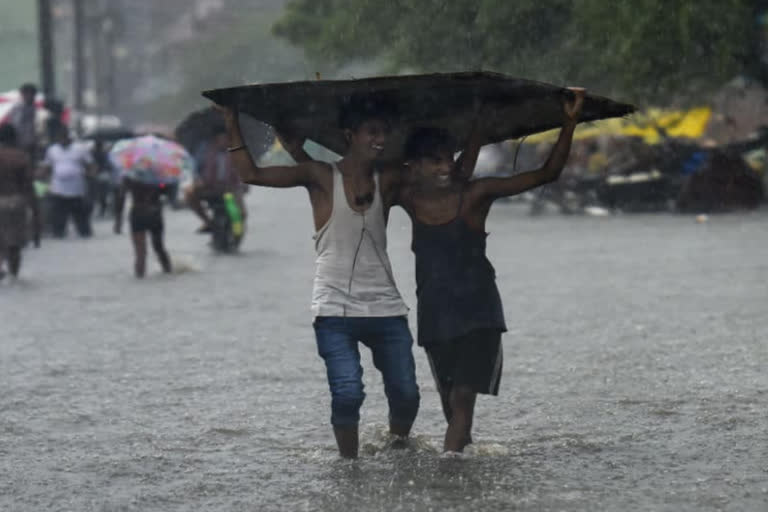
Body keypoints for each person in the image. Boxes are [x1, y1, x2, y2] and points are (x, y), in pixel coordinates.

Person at [218, 97, 420, 458]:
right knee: (347, 393)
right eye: (372, 132)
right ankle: (349, 467)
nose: (381, 140)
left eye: (384, 133)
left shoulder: (388, 178)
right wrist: (232, 120)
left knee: (406, 394)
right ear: (349, 135)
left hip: (387, 308)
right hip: (334, 309)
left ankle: (399, 451)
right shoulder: (320, 176)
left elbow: (439, 175)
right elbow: (251, 174)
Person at [396, 88, 586, 452]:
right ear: (413, 167)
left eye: (447, 159)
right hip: (436, 317)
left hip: (478, 314)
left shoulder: (476, 195)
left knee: (463, 399)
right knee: (452, 406)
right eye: (433, 161)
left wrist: (569, 122)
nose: (444, 167)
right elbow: (355, 179)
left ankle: (447, 480)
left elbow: (547, 172)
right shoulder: (407, 198)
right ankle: (465, 478)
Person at [186, 123, 247, 233]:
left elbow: (242, 171)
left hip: (230, 188)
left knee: (241, 213)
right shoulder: (203, 149)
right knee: (189, 195)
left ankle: (237, 233)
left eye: (227, 138)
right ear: (215, 139)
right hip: (209, 186)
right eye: (222, 138)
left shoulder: (236, 150)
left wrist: (243, 184)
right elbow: (194, 167)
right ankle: (208, 222)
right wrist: (197, 179)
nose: (225, 141)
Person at [40, 124, 94, 238]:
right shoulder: (52, 150)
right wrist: (41, 180)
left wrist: (90, 175)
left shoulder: (80, 149)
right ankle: (58, 232)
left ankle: (84, 232)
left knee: (80, 215)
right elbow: (47, 167)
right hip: (59, 188)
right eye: (60, 137)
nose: (63, 139)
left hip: (76, 188)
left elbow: (90, 165)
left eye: (64, 136)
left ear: (69, 137)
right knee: (59, 215)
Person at [0, 124, 40, 281]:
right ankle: (13, 276)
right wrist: (36, 214)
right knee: (14, 242)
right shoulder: (21, 157)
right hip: (17, 202)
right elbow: (28, 186)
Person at [113, 178, 172, 278]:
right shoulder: (157, 175)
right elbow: (165, 191)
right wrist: (161, 184)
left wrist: (118, 221)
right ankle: (168, 273)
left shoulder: (129, 177)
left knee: (140, 253)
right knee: (159, 248)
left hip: (138, 213)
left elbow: (121, 197)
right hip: (155, 213)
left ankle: (139, 281)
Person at [7, 83, 40, 163]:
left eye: (32, 94)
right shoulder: (18, 108)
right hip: (20, 143)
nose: (31, 97)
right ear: (23, 94)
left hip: (33, 144)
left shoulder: (34, 108)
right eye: (28, 94)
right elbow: (15, 125)